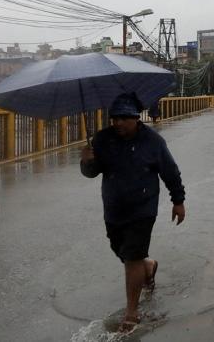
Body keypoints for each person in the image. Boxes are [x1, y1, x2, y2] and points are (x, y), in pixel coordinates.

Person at [80, 93, 187, 334]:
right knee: (121, 251)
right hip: (113, 207)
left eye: (123, 118)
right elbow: (92, 172)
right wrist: (87, 162)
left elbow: (170, 172)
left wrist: (178, 201)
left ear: (136, 118)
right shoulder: (102, 139)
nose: (117, 123)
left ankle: (131, 310)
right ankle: (148, 266)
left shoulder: (153, 141)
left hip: (143, 207)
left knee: (131, 256)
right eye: (114, 118)